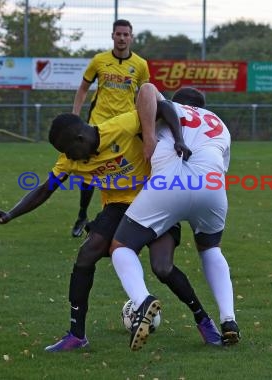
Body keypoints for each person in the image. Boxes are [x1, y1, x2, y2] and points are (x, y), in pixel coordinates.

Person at [0, 91, 222, 353]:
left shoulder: (120, 126)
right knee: (87, 253)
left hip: (156, 198)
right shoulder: (70, 161)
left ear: (80, 137)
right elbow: (44, 189)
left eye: (69, 150)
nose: (69, 157)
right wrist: (10, 214)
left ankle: (204, 320)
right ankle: (76, 334)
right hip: (118, 207)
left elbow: (165, 107)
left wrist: (176, 139)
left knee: (163, 267)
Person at [109, 84, 240, 351]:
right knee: (211, 248)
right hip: (213, 185)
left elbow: (146, 89)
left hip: (169, 183)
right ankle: (229, 320)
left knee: (121, 246)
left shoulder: (170, 108)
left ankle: (142, 299)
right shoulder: (219, 122)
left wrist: (149, 137)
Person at [69, 19, 150, 238]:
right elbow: (83, 89)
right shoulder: (99, 61)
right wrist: (75, 118)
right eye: (118, 34)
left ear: (131, 37)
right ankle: (82, 215)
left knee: (123, 169)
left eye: (126, 34)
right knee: (89, 172)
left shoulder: (141, 65)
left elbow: (145, 95)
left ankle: (113, 217)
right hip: (98, 125)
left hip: (125, 127)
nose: (122, 38)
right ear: (112, 36)